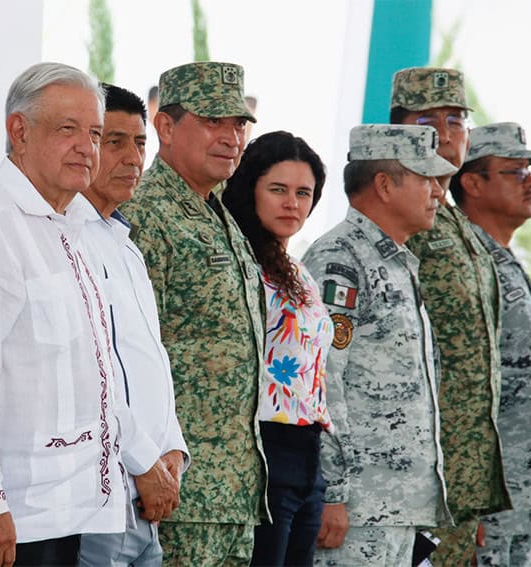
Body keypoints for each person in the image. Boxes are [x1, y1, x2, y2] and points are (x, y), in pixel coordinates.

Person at [0, 63, 144, 567]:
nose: (86, 148)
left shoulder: (74, 227)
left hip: (70, 512)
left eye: (93, 134)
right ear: (18, 132)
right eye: (67, 130)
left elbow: (100, 368)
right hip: (10, 522)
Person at [119, 61, 268, 566]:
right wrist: (145, 463)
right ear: (165, 126)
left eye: (239, 124)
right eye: (212, 121)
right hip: (175, 490)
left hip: (233, 491)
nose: (231, 137)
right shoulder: (144, 213)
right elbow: (121, 352)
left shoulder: (218, 212)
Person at [303, 124, 453, 565]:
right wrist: (334, 492)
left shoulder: (397, 261)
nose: (438, 194)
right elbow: (323, 380)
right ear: (385, 185)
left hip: (396, 508)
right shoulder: (340, 259)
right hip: (357, 509)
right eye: (426, 179)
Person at [392, 67, 510, 564]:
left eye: (457, 119)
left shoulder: (458, 224)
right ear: (399, 128)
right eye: (427, 119)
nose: (445, 132)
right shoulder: (398, 212)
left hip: (464, 471)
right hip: (415, 470)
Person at [76, 83, 189, 567]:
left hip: (151, 491)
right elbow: (92, 369)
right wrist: (144, 460)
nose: (131, 157)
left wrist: (173, 451)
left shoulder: (124, 244)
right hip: (101, 486)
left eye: (140, 143)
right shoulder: (68, 238)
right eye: (114, 141)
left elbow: (150, 363)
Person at [223, 130, 332, 566]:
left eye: (304, 192)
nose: (293, 203)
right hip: (264, 446)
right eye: (278, 190)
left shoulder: (297, 270)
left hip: (309, 449)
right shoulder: (240, 262)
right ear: (251, 190)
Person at [449, 122, 531, 567]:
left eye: (530, 170)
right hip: (491, 494)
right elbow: (456, 381)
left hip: (524, 486)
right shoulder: (465, 262)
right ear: (472, 182)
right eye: (515, 171)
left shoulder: (506, 260)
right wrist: (469, 499)